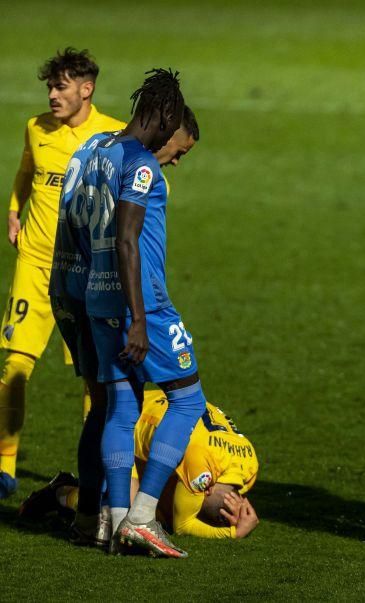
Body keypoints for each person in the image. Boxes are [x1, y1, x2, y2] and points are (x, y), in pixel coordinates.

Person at [49, 107, 200, 545]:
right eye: (181, 150)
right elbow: (127, 238)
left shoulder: (91, 148)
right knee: (186, 400)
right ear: (170, 125)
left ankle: (103, 520)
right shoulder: (140, 163)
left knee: (110, 406)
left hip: (77, 289)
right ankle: (139, 514)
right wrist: (135, 314)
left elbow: (73, 218)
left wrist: (84, 289)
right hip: (134, 298)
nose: (176, 160)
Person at [0, 48, 124, 498]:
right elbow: (25, 171)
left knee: (93, 376)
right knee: (14, 363)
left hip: (84, 269)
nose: (52, 95)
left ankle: (94, 472)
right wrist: (14, 209)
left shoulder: (113, 135)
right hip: (34, 261)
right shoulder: (36, 128)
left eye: (61, 87)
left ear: (86, 89)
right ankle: (5, 466)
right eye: (49, 87)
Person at [19, 390, 259, 541]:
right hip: (128, 424)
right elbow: (183, 525)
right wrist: (232, 533)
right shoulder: (202, 471)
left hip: (162, 410)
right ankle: (61, 492)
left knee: (159, 514)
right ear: (206, 487)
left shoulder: (250, 465)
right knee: (125, 517)